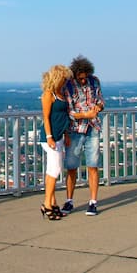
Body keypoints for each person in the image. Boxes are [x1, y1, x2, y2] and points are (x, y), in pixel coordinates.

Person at [63, 55, 105, 216]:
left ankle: (93, 202)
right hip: (75, 129)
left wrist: (98, 107)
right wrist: (85, 115)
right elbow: (70, 111)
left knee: (93, 165)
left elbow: (101, 100)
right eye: (80, 78)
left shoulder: (94, 81)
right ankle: (69, 200)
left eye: (85, 77)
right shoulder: (68, 85)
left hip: (93, 128)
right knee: (71, 167)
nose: (83, 80)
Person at [40, 65, 72, 220]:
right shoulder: (48, 94)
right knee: (56, 170)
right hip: (51, 137)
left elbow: (63, 116)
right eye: (64, 79)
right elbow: (46, 117)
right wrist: (49, 137)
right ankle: (47, 204)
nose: (65, 82)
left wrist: (66, 135)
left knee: (51, 171)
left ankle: (52, 202)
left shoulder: (61, 93)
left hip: (59, 135)